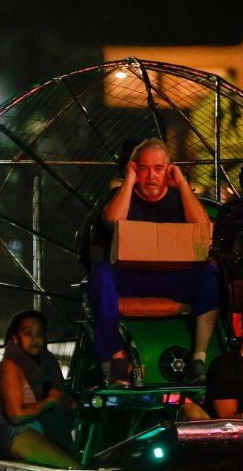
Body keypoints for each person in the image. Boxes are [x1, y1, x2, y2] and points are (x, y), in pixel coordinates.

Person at [86, 137, 220, 386]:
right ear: (135, 168)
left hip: (172, 278)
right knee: (101, 275)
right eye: (144, 168)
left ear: (168, 170)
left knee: (210, 274)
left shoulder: (178, 197)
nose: (151, 176)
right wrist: (129, 180)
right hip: (131, 277)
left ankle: (199, 358)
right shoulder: (120, 196)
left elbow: (202, 227)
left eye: (158, 169)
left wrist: (181, 183)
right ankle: (117, 359)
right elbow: (112, 220)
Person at [0, 310, 83, 468]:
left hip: (35, 428)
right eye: (28, 333)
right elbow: (15, 416)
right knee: (73, 468)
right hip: (7, 431)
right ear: (15, 337)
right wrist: (49, 402)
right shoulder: (10, 366)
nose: (35, 339)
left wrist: (70, 407)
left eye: (39, 334)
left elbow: (60, 405)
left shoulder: (47, 364)